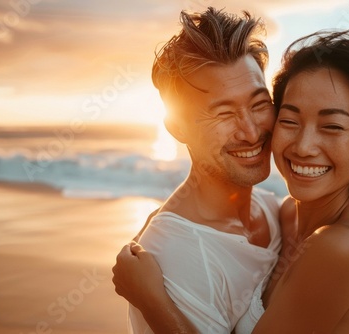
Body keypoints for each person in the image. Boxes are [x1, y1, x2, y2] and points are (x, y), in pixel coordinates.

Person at [113, 25, 349, 334]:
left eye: (332, 126)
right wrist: (163, 223)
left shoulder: (340, 248)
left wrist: (152, 300)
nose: (303, 146)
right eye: (290, 119)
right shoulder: (283, 216)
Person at [112, 7, 283, 334]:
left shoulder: (273, 209)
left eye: (259, 104)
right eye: (223, 114)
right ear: (177, 128)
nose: (250, 131)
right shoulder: (175, 254)